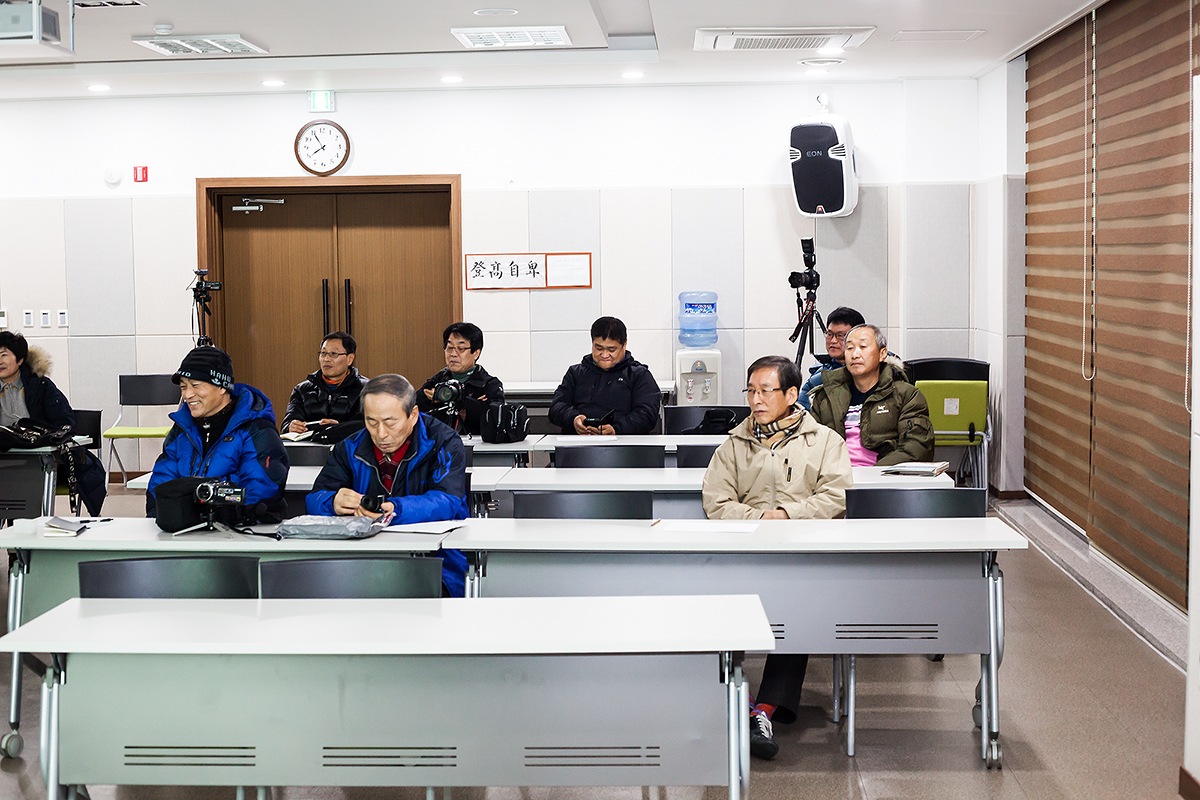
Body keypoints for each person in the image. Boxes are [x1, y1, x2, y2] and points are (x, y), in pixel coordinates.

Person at [701, 354, 852, 761]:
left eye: (766, 390)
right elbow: (716, 501)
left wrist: (787, 515)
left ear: (791, 394)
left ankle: (762, 712)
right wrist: (758, 518)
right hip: (743, 552)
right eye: (750, 390)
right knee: (713, 604)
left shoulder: (825, 442)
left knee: (795, 609)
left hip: (802, 555)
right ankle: (734, 698)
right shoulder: (733, 445)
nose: (756, 399)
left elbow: (836, 498)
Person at [306, 374, 470, 597]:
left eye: (390, 423)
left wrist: (396, 510)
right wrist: (332, 502)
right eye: (371, 422)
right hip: (363, 562)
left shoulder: (443, 441)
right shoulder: (350, 447)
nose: (381, 434)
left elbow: (447, 500)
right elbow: (314, 498)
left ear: (413, 415)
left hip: (434, 563)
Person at [146, 346, 289, 518]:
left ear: (222, 387)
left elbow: (261, 490)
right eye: (183, 387)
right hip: (184, 528)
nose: (187, 395)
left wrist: (205, 515)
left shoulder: (256, 429)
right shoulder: (181, 430)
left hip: (240, 530)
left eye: (195, 386)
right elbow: (160, 486)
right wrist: (160, 517)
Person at [0, 331, 107, 515]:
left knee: (23, 481)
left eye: (3, 355)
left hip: (38, 462)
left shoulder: (41, 386)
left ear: (20, 360)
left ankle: (27, 525)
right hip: (4, 461)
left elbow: (64, 422)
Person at [808, 324, 934, 466]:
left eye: (863, 347)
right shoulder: (825, 397)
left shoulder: (906, 395)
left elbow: (917, 447)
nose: (855, 355)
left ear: (882, 354)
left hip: (882, 476)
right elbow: (809, 444)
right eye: (849, 348)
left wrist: (875, 473)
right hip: (833, 475)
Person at [548, 316, 660, 435]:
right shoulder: (576, 373)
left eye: (611, 349)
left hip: (622, 443)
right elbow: (556, 407)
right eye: (599, 348)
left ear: (624, 344)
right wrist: (574, 418)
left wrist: (617, 430)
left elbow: (647, 415)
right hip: (579, 442)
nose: (605, 355)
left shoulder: (639, 375)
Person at [416, 322, 505, 435]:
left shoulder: (488, 384)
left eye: (461, 348)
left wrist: (459, 401)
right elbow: (414, 409)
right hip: (440, 442)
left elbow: (495, 420)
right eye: (450, 348)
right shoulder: (438, 380)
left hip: (475, 444)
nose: (453, 354)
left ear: (476, 353)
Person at [280, 331, 369, 439]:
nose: (326, 359)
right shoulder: (302, 390)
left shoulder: (366, 390)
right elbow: (286, 425)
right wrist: (291, 426)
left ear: (350, 359)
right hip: (309, 447)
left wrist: (339, 428)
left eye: (333, 354)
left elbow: (367, 426)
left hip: (347, 447)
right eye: (323, 353)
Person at [798, 306, 865, 410]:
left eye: (840, 335)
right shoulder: (817, 379)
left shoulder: (873, 372)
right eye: (829, 334)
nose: (833, 340)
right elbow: (801, 413)